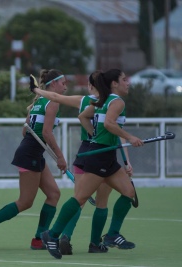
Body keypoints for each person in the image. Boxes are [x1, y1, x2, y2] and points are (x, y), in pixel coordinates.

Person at [41, 69, 143, 260]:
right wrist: (130, 137)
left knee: (129, 193)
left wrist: (93, 135)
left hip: (108, 156)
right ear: (114, 83)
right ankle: (52, 235)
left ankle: (112, 234)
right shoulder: (116, 101)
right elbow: (109, 124)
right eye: (123, 79)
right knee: (80, 198)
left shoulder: (100, 101)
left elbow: (85, 116)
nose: (127, 83)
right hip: (99, 157)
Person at [0, 69, 67, 251]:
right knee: (25, 201)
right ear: (53, 84)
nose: (65, 86)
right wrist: (60, 157)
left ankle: (39, 239)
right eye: (63, 83)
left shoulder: (39, 101)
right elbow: (46, 133)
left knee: (54, 194)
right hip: (30, 154)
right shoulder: (52, 102)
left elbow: (26, 130)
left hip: (32, 152)